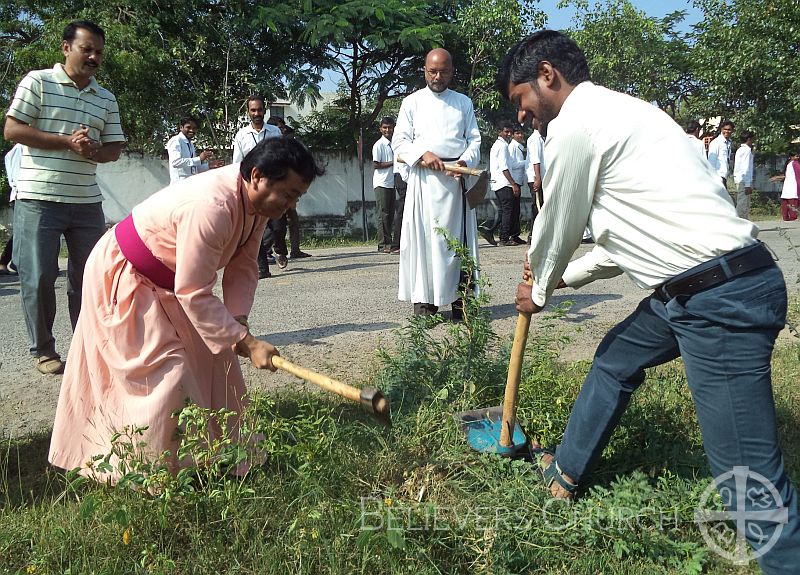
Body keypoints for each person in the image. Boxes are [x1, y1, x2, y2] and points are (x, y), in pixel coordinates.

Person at [497, 30, 799, 574]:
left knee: (746, 481)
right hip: (699, 285)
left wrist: (538, 286)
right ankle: (566, 472)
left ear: (547, 75)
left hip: (719, 300)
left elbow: (558, 222)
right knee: (617, 356)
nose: (522, 116)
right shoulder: (631, 114)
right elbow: (630, 239)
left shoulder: (574, 127)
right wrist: (564, 281)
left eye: (521, 100)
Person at [48, 137, 324, 482]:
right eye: (288, 194)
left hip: (172, 282)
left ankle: (219, 456)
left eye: (297, 197)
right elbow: (193, 290)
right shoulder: (212, 206)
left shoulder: (256, 207)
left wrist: (238, 323)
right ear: (257, 176)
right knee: (167, 374)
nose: (291, 205)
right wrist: (245, 341)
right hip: (127, 274)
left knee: (217, 363)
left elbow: (243, 265)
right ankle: (149, 472)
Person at [4, 20, 126, 375]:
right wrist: (65, 141)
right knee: (39, 276)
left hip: (86, 201)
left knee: (90, 278)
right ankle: (43, 350)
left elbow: (114, 148)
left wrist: (92, 151)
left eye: (99, 52)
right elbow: (12, 129)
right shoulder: (38, 82)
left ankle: (87, 344)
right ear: (65, 48)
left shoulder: (105, 97)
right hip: (38, 197)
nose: (93, 57)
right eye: (87, 49)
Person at [392, 48, 481, 319]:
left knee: (457, 242)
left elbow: (475, 140)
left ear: (452, 71)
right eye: (432, 71)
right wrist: (423, 154)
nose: (438, 76)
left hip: (456, 181)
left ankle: (461, 303)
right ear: (424, 70)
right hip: (424, 182)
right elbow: (400, 142)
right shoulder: (412, 102)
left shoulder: (463, 102)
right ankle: (425, 304)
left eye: (443, 71)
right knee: (425, 242)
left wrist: (464, 163)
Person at [232, 95, 283, 276]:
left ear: (265, 110)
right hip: (252, 188)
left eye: (259, 110)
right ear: (248, 112)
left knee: (277, 226)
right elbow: (237, 163)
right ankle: (262, 268)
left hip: (273, 186)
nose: (257, 113)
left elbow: (282, 157)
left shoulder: (275, 132)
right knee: (256, 229)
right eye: (253, 110)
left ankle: (279, 249)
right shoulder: (241, 135)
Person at [490, 124, 525, 246]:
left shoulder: (500, 145)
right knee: (507, 211)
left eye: (510, 132)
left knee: (507, 210)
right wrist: (513, 183)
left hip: (500, 182)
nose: (509, 134)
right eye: (506, 132)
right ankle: (504, 238)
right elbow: (504, 167)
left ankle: (508, 235)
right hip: (503, 183)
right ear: (499, 131)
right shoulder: (503, 146)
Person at [372, 117, 396, 253]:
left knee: (390, 213)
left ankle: (389, 241)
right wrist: (394, 162)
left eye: (390, 127)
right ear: (380, 129)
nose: (388, 130)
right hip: (382, 183)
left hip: (391, 183)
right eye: (385, 127)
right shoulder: (379, 145)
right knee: (383, 214)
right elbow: (376, 164)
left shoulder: (394, 144)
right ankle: (383, 244)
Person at [166, 116, 214, 183]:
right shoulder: (176, 141)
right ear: (181, 127)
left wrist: (209, 165)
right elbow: (175, 162)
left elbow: (193, 168)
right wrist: (199, 158)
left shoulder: (190, 144)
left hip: (190, 185)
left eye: (194, 128)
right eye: (188, 127)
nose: (191, 130)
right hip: (179, 185)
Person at [0, 143, 22, 275]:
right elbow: (16, 177)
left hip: (25, 194)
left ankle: (13, 262)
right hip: (22, 195)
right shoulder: (19, 149)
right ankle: (4, 261)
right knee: (20, 232)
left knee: (22, 233)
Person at [526, 119, 545, 243]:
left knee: (541, 205)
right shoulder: (535, 139)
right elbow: (535, 160)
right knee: (537, 206)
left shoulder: (541, 139)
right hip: (535, 178)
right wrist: (538, 178)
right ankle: (534, 234)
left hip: (540, 177)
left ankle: (537, 233)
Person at [733, 130, 755, 219]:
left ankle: (741, 221)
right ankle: (739, 222)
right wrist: (747, 184)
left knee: (742, 202)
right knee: (743, 203)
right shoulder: (746, 150)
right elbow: (746, 168)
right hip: (743, 180)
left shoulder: (740, 149)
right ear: (749, 139)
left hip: (739, 178)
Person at [389, 158, 409, 255]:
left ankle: (399, 243)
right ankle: (396, 244)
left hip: (403, 174)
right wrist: (408, 179)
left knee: (405, 209)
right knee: (403, 209)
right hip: (403, 175)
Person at [707, 119, 734, 188]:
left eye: (729, 130)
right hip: (717, 177)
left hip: (724, 177)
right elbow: (711, 162)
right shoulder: (716, 143)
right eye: (725, 129)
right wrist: (714, 178)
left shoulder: (729, 143)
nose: (727, 131)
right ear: (721, 129)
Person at [780, 151, 799, 221]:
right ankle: (793, 217)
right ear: (791, 157)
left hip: (787, 185)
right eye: (796, 156)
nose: (798, 157)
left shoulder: (788, 164)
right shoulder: (795, 163)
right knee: (793, 201)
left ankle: (785, 217)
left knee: (785, 202)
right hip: (793, 185)